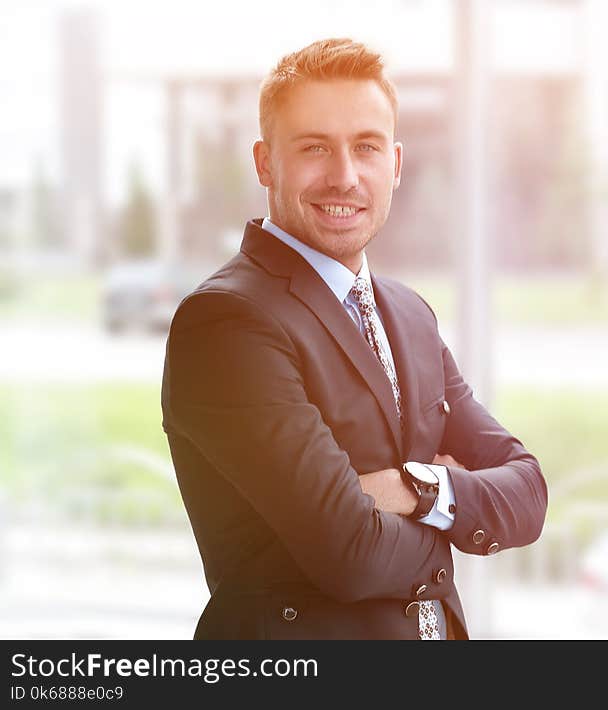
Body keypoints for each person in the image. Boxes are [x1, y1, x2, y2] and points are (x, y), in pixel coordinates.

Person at [161, 38, 547, 640]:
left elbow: (528, 492)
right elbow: (350, 554)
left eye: (365, 147)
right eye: (314, 148)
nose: (344, 177)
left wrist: (415, 489)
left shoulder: (409, 314)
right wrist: (456, 520)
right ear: (265, 162)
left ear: (394, 163)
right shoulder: (227, 322)